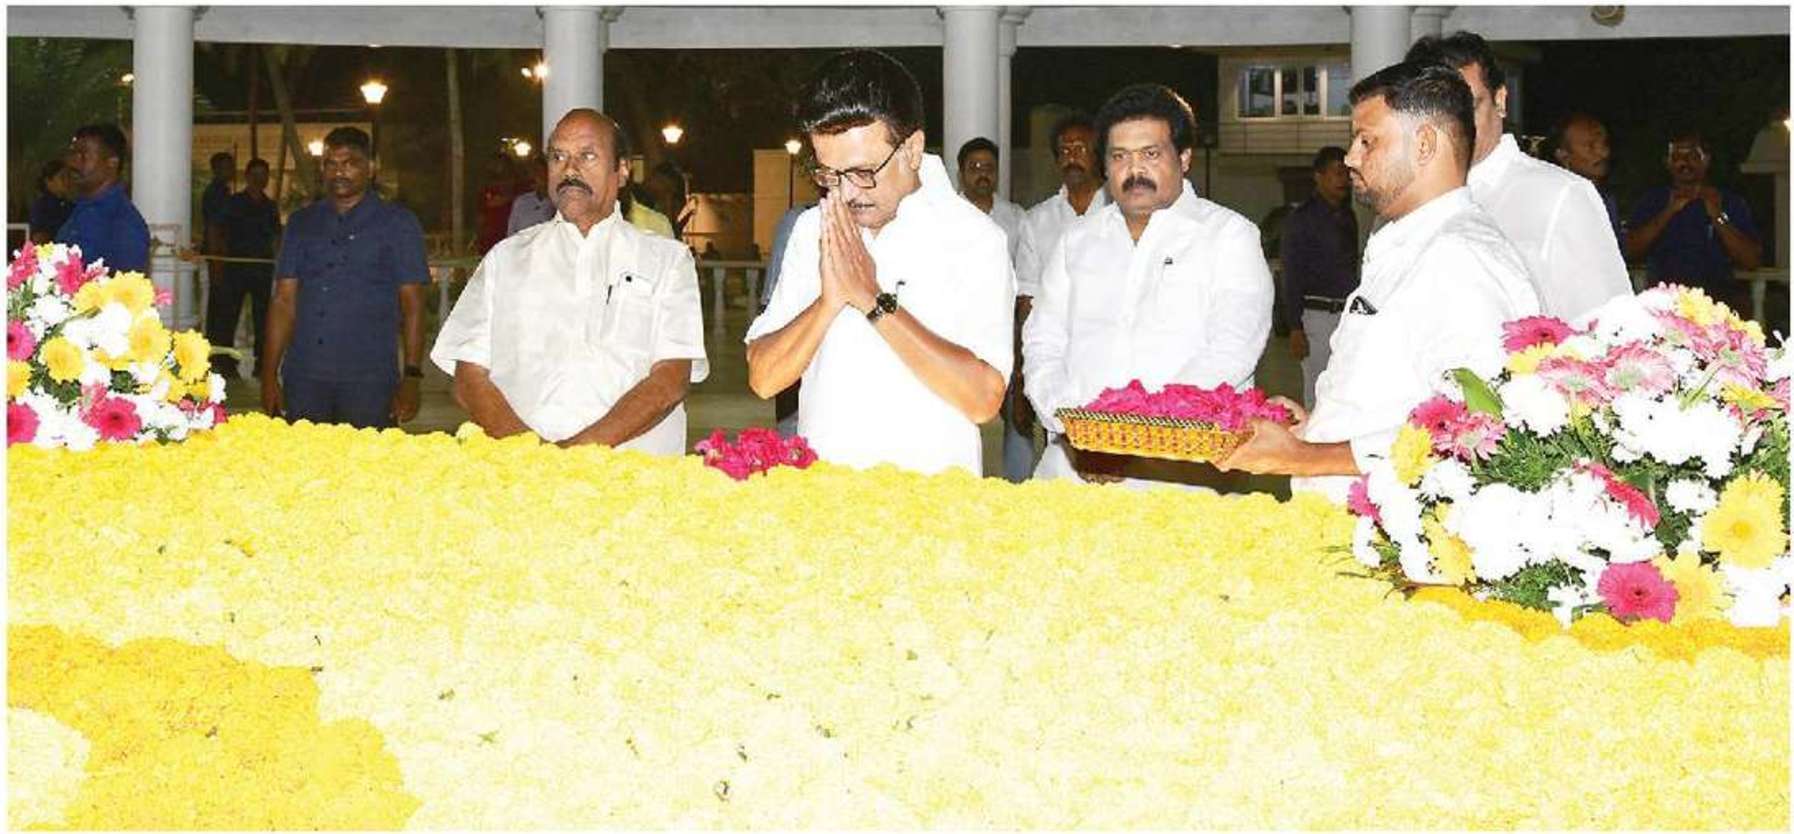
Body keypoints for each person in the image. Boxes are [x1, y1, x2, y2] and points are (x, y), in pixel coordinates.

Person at [1216, 61, 1540, 502]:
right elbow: (1394, 402)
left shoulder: (1460, 257)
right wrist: (1317, 427)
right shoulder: (1407, 242)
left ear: (1424, 144)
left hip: (1390, 527)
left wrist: (1306, 456)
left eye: (1367, 141)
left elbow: (1472, 433)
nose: (1350, 157)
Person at [745, 49, 1013, 475]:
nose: (848, 193)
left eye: (863, 172)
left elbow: (982, 399)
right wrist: (829, 302)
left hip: (933, 497)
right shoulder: (815, 227)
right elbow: (763, 377)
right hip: (824, 493)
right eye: (830, 175)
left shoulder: (974, 237)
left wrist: (873, 299)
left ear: (912, 149)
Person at [1023, 83, 1274, 488]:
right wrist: (1076, 429)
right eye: (1119, 156)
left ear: (1184, 158)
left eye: (1151, 154)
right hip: (1074, 469)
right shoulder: (1076, 241)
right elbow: (1043, 344)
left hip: (1183, 478)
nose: (1134, 170)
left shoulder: (1228, 236)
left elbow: (1232, 350)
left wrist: (1128, 438)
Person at [431, 109, 708, 453]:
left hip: (634, 473)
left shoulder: (667, 260)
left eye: (587, 156)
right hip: (521, 470)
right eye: (558, 157)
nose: (570, 169)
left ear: (622, 170)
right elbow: (468, 376)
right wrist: (531, 453)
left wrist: (574, 455)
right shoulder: (506, 258)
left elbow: (670, 379)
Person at [1407, 32, 1627, 321]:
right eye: (1438, 112)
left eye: (1469, 107)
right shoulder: (1405, 198)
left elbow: (1608, 326)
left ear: (1500, 100)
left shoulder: (1559, 196)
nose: (1455, 126)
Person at [260, 127, 431, 429]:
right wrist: (269, 374)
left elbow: (413, 305)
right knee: (304, 458)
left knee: (366, 459)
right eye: (331, 164)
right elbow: (284, 301)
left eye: (350, 163)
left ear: (371, 168)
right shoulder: (301, 223)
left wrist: (412, 377)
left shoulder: (398, 224)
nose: (339, 172)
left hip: (369, 380)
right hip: (305, 376)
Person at [1009, 113, 1110, 483]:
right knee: (1063, 470)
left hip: (1115, 363)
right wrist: (1021, 380)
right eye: (1064, 151)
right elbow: (1027, 304)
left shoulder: (1122, 213)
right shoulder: (1037, 221)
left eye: (1080, 148)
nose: (1072, 157)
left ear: (1098, 154)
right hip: (1057, 368)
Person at [1623, 130, 1763, 311]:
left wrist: (1717, 216)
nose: (1685, 163)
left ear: (1706, 160)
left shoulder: (1729, 201)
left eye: (1692, 156)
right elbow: (1630, 251)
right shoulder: (1653, 201)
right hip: (1665, 305)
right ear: (1667, 163)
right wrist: (1669, 211)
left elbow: (1751, 260)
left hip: (1717, 305)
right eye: (1677, 157)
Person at [1279, 145, 1361, 409]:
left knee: (1345, 388)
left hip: (1347, 315)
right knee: (1317, 392)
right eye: (1337, 173)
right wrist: (1295, 327)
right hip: (1316, 317)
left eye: (1346, 173)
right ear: (1319, 176)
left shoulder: (1347, 216)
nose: (1344, 180)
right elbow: (1292, 275)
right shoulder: (1301, 219)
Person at [206, 158, 281, 379]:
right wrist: (217, 261)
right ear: (247, 177)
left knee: (263, 317)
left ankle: (262, 362)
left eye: (263, 175)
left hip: (262, 269)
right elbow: (215, 228)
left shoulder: (270, 206)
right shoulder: (233, 202)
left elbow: (276, 236)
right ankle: (225, 362)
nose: (259, 180)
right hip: (235, 268)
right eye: (255, 175)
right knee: (228, 316)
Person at [55, 123, 150, 273]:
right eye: (73, 154)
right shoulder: (79, 210)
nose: (72, 163)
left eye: (84, 156)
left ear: (112, 162)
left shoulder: (123, 223)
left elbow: (126, 284)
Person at [1549, 112, 1622, 244]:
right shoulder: (1554, 203)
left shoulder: (1606, 199)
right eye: (1590, 146)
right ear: (1563, 155)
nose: (1603, 153)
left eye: (1604, 144)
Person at [956, 137, 1026, 260]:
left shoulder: (1016, 217)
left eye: (989, 168)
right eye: (975, 168)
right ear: (961, 174)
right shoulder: (946, 217)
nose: (983, 174)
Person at [476, 152, 519, 254]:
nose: (498, 167)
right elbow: (482, 211)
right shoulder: (487, 187)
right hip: (491, 232)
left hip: (510, 231)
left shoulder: (517, 186)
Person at [506, 152, 556, 235]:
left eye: (542, 171)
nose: (539, 176)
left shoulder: (560, 203)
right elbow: (511, 233)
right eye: (536, 172)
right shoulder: (522, 202)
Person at [28, 158, 75, 245]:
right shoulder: (41, 207)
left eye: (68, 177)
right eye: (62, 178)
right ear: (49, 181)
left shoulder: (71, 206)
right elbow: (39, 238)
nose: (67, 181)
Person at [201, 151, 236, 256]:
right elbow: (214, 223)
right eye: (227, 167)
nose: (231, 170)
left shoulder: (224, 190)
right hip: (218, 247)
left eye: (232, 167)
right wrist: (216, 251)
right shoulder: (215, 192)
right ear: (216, 170)